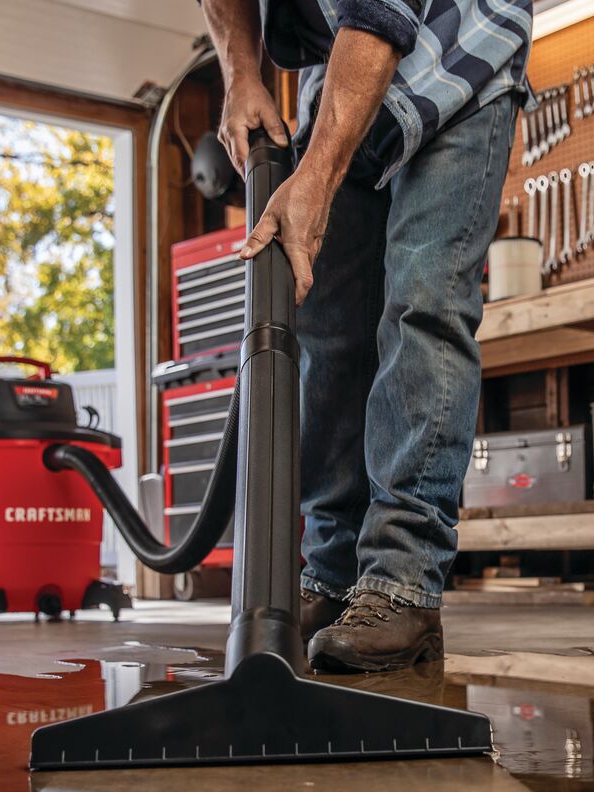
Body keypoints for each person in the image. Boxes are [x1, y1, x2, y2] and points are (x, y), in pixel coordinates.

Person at [203, 0, 532, 671]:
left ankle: (402, 585)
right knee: (327, 328)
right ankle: (330, 573)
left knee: (423, 303)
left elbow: (379, 19)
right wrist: (241, 75)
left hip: (458, 52)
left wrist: (315, 179)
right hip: (342, 65)